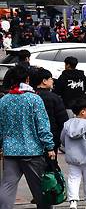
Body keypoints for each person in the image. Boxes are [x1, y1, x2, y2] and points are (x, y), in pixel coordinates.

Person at [0, 65, 56, 209]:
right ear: (27, 79)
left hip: (11, 151)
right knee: (39, 189)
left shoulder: (4, 100)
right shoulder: (34, 99)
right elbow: (42, 125)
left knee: (7, 186)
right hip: (32, 152)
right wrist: (49, 146)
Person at [31, 68, 68, 153]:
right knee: (50, 164)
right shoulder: (53, 97)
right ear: (44, 81)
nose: (52, 81)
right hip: (51, 138)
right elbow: (62, 120)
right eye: (51, 79)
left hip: (32, 140)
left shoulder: (29, 97)